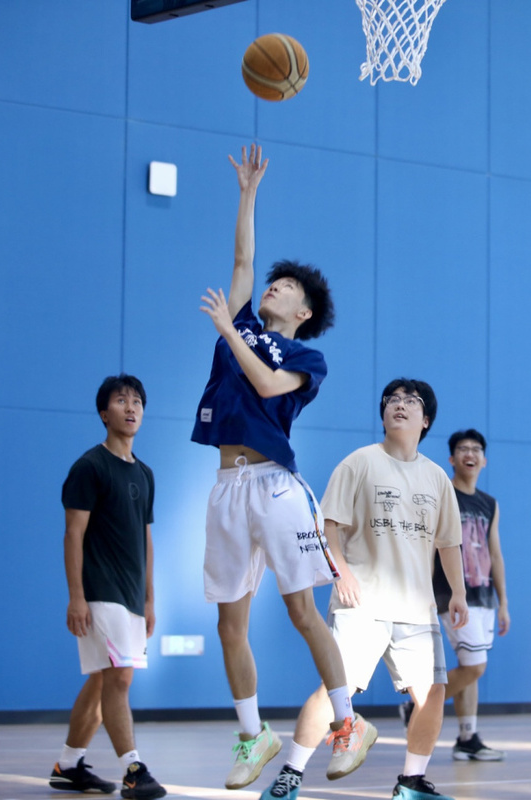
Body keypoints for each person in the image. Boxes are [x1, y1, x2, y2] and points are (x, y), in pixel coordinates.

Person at [192, 144, 373, 791]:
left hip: (274, 485)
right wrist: (247, 191)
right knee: (227, 622)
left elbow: (268, 387)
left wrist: (230, 332)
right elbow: (242, 259)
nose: (274, 285)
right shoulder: (240, 316)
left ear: (301, 312)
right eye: (277, 280)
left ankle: (348, 722)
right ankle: (252, 735)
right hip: (226, 486)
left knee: (303, 613)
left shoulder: (302, 356)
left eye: (287, 287)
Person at [260, 379, 468, 800]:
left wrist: (459, 594)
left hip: (417, 607)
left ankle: (411, 782)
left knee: (432, 693)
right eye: (392, 400)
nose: (400, 405)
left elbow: (449, 545)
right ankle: (290, 775)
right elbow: (329, 524)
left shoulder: (437, 479)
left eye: (412, 401)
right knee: (337, 688)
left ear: (425, 419)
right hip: (362, 601)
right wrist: (342, 574)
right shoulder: (358, 462)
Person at [52, 374, 165, 800]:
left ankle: (67, 765)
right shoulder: (89, 467)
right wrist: (76, 596)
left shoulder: (146, 474)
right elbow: (72, 534)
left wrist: (151, 598)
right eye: (121, 400)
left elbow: (146, 538)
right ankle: (133, 769)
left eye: (137, 401)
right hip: (101, 592)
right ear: (104, 413)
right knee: (119, 679)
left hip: (133, 598)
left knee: (103, 682)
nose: (131, 407)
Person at [433, 428, 509, 761]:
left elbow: (495, 554)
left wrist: (503, 602)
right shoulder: (442, 495)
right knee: (476, 666)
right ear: (451, 459)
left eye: (476, 449)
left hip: (483, 595)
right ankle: (419, 704)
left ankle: (467, 738)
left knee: (470, 663)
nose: (470, 454)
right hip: (451, 594)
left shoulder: (489, 504)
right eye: (463, 449)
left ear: (484, 459)